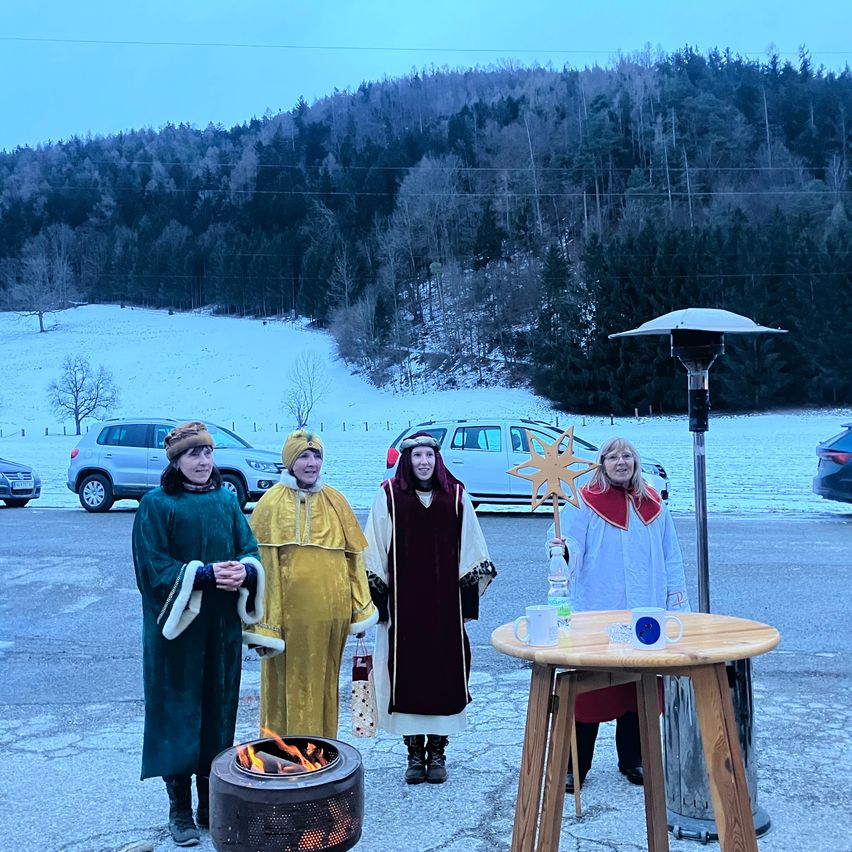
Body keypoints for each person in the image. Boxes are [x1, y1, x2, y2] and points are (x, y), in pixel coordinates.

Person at [133, 421, 269, 847]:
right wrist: (205, 575)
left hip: (221, 627)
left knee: (217, 708)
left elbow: (248, 547)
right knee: (178, 711)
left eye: (208, 453)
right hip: (176, 631)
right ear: (176, 461)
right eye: (194, 454)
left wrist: (244, 570)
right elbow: (152, 569)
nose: (203, 462)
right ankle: (179, 809)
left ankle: (212, 801)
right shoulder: (156, 505)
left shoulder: (226, 502)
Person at [547, 436, 689, 794]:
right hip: (600, 606)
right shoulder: (584, 502)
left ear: (636, 462)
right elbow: (570, 546)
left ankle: (634, 758)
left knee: (638, 686)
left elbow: (671, 556)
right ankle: (573, 764)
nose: (621, 462)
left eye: (627, 455)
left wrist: (676, 602)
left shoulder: (655, 505)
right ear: (602, 464)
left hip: (647, 608)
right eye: (613, 457)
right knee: (589, 689)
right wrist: (562, 551)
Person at [364, 432, 497, 785]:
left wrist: (466, 604)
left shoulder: (455, 497)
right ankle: (413, 752)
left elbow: (472, 549)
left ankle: (438, 750)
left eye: (429, 455)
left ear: (437, 460)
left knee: (443, 674)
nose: (423, 461)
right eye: (416, 455)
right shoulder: (389, 497)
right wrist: (380, 604)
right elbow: (374, 551)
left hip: (444, 608)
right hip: (403, 607)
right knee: (406, 675)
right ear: (406, 460)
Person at [249, 429, 378, 739]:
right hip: (288, 621)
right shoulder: (270, 504)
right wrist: (266, 626)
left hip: (331, 619)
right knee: (286, 685)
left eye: (316, 456)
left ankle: (322, 752)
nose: (311, 463)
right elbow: (263, 569)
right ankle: (284, 755)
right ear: (289, 461)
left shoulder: (336, 501)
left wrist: (360, 611)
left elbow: (354, 561)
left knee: (324, 684)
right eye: (304, 456)